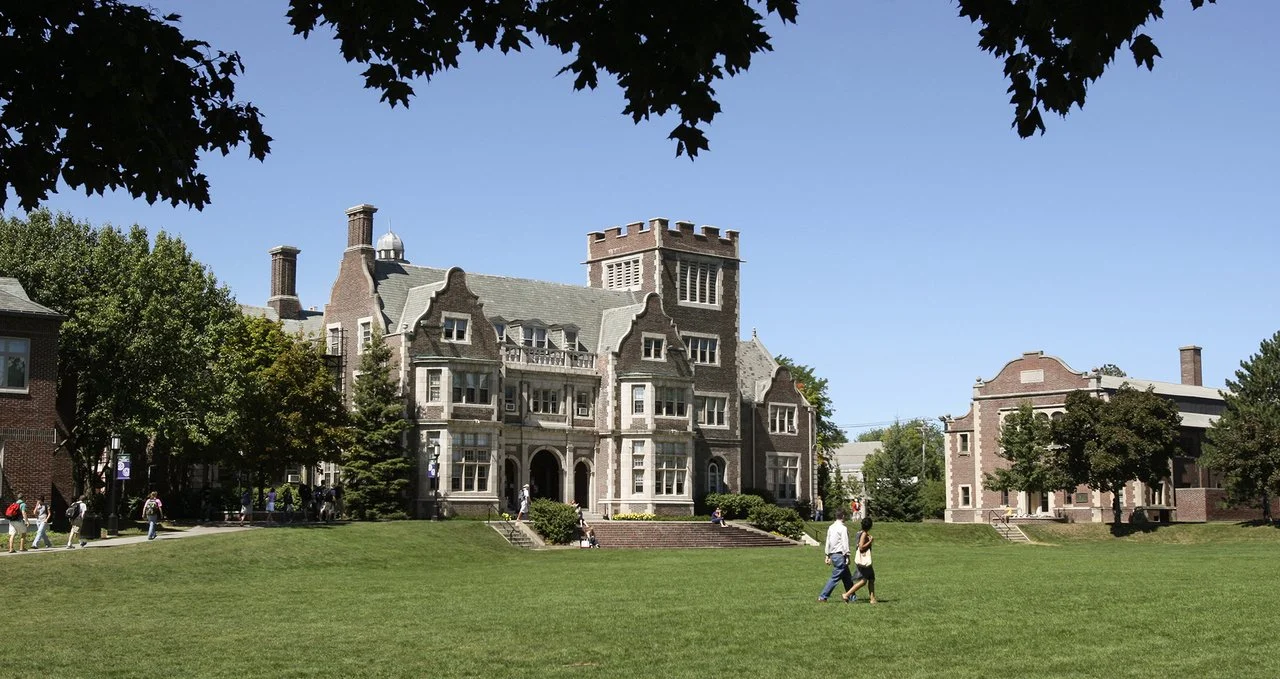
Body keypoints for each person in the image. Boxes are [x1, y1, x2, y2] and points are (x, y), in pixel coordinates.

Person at [817, 510, 854, 602]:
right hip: (840, 555)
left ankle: (852, 597)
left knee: (847, 578)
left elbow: (828, 542)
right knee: (835, 577)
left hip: (833, 555)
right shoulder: (843, 528)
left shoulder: (831, 527)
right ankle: (823, 596)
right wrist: (848, 556)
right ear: (843, 516)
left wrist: (827, 555)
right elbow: (845, 543)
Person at [843, 517, 878, 604]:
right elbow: (861, 547)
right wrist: (870, 541)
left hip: (864, 560)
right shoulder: (864, 534)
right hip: (864, 560)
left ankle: (872, 598)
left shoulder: (859, 533)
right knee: (863, 581)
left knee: (871, 579)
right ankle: (847, 594)